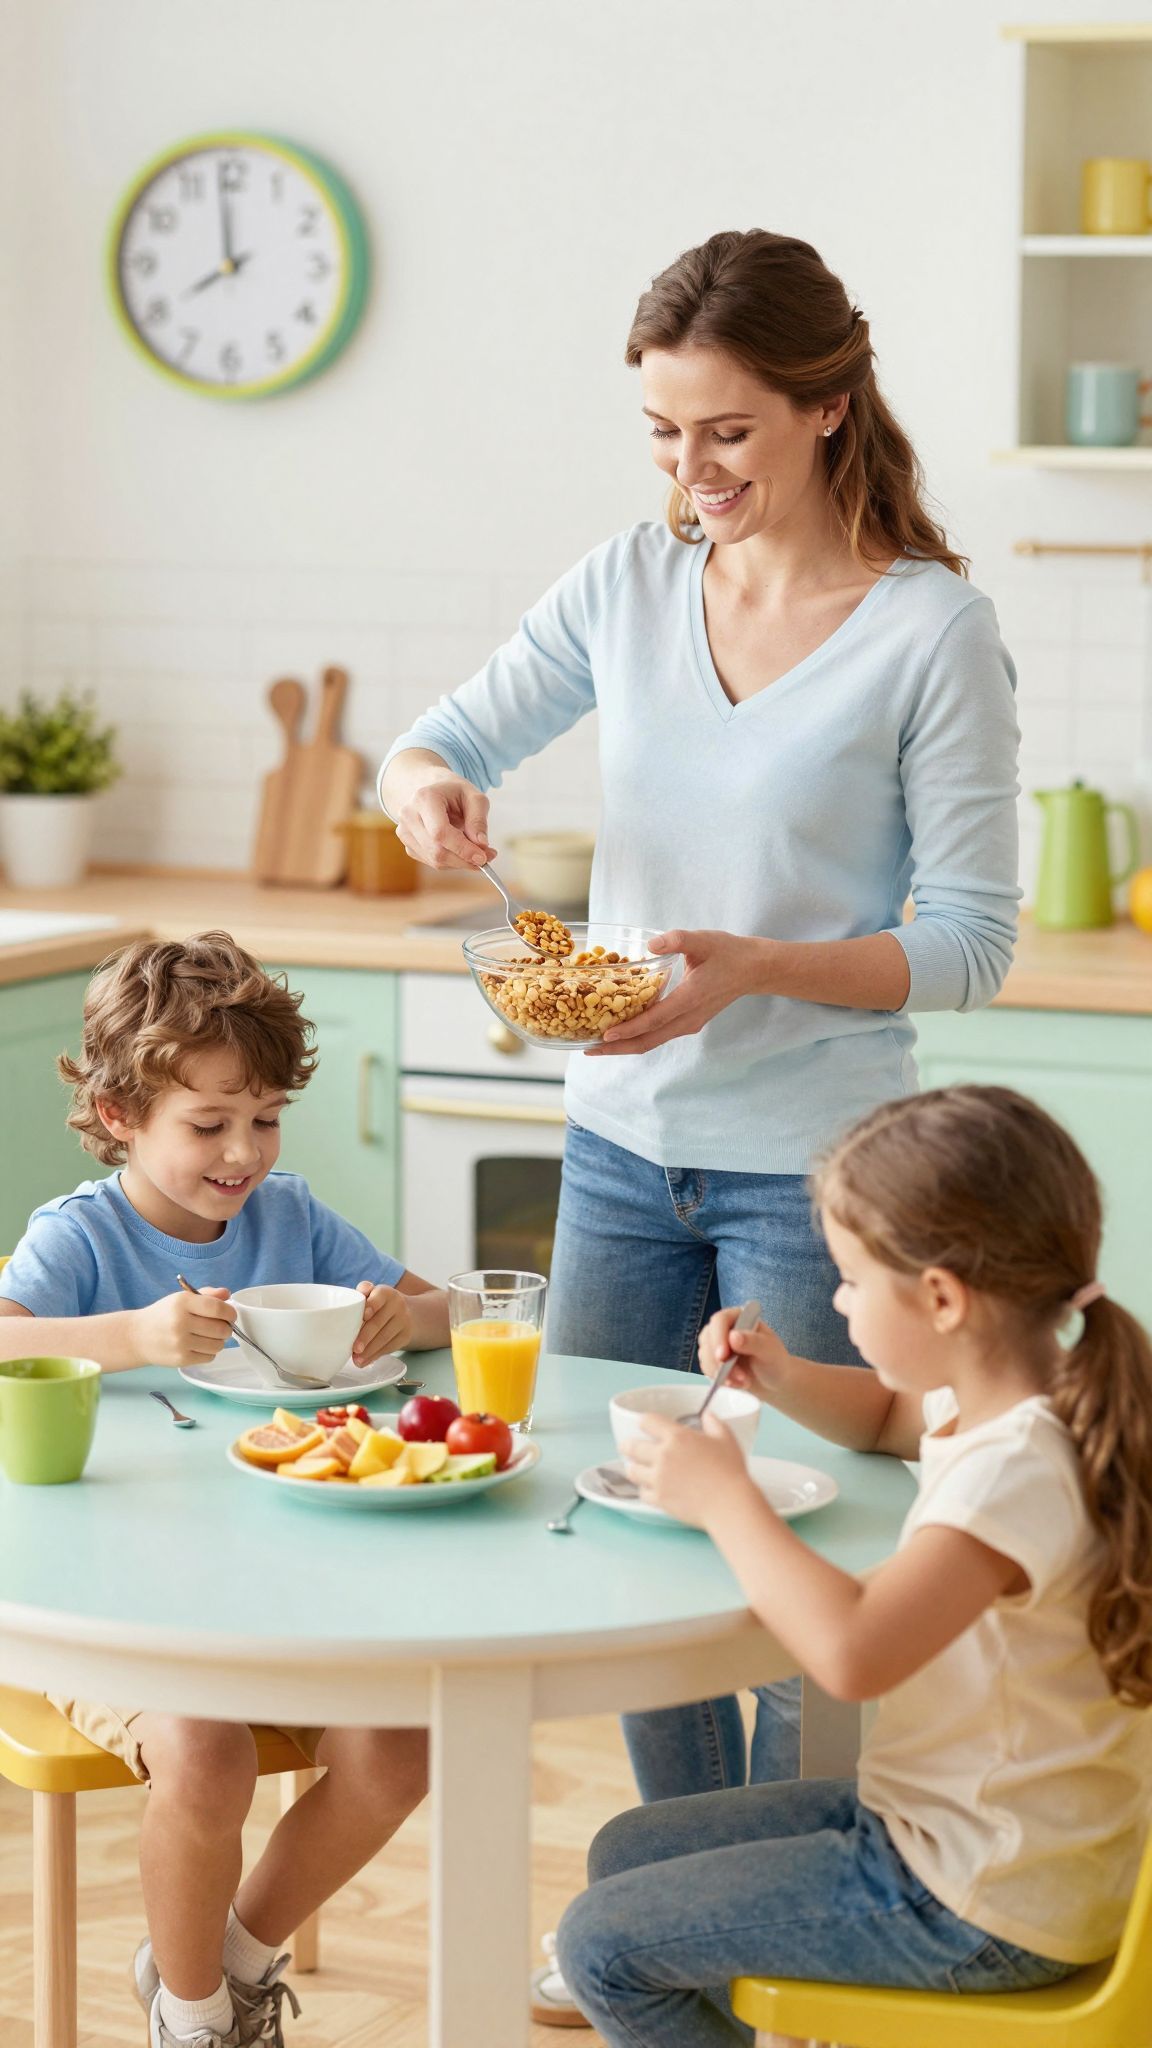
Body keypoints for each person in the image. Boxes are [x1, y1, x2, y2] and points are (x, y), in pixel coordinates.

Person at [380, 226, 1021, 1932]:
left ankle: (777, 1929)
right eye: (662, 434)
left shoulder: (929, 634)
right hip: (612, 1149)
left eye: (723, 430)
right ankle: (716, 1926)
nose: (690, 471)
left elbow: (966, 941)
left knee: (811, 1546)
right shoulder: (628, 583)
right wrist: (427, 785)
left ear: (822, 405)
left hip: (817, 1171)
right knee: (630, 1511)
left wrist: (751, 966)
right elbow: (438, 733)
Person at [554, 1085, 1152, 2044]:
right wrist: (782, 1375)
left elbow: (851, 1654)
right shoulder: (1017, 1396)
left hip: (980, 1898)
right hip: (960, 1837)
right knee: (627, 1850)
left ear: (943, 1298)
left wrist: (726, 1499)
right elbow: (883, 1417)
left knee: (599, 1945)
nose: (837, 1301)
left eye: (850, 1280)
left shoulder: (1017, 1471)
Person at [0, 932, 450, 2048]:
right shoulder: (82, 1238)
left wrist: (403, 1315)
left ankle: (225, 1963)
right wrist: (136, 1335)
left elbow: (441, 1307)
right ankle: (194, 2022)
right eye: (207, 1123)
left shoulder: (290, 1216)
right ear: (118, 1113)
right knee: (209, 1752)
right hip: (116, 1592)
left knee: (403, 1747)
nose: (241, 1150)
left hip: (289, 1583)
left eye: (263, 1117)